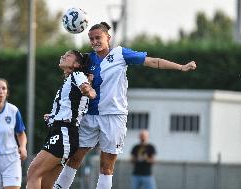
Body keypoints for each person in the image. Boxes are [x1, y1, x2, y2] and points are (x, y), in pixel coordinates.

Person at [53, 22, 197, 189]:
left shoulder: (121, 54)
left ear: (108, 37)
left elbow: (152, 61)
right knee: (75, 158)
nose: (94, 41)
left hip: (114, 116)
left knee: (106, 166)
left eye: (98, 37)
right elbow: (70, 71)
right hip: (90, 115)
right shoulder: (87, 59)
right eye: (91, 39)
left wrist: (181, 67)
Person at [26, 50, 96, 189]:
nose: (62, 56)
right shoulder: (69, 81)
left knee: (33, 172)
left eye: (68, 55)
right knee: (46, 185)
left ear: (76, 64)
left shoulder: (77, 74)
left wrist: (89, 90)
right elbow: (71, 108)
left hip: (64, 133)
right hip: (61, 132)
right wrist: (52, 117)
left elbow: (87, 89)